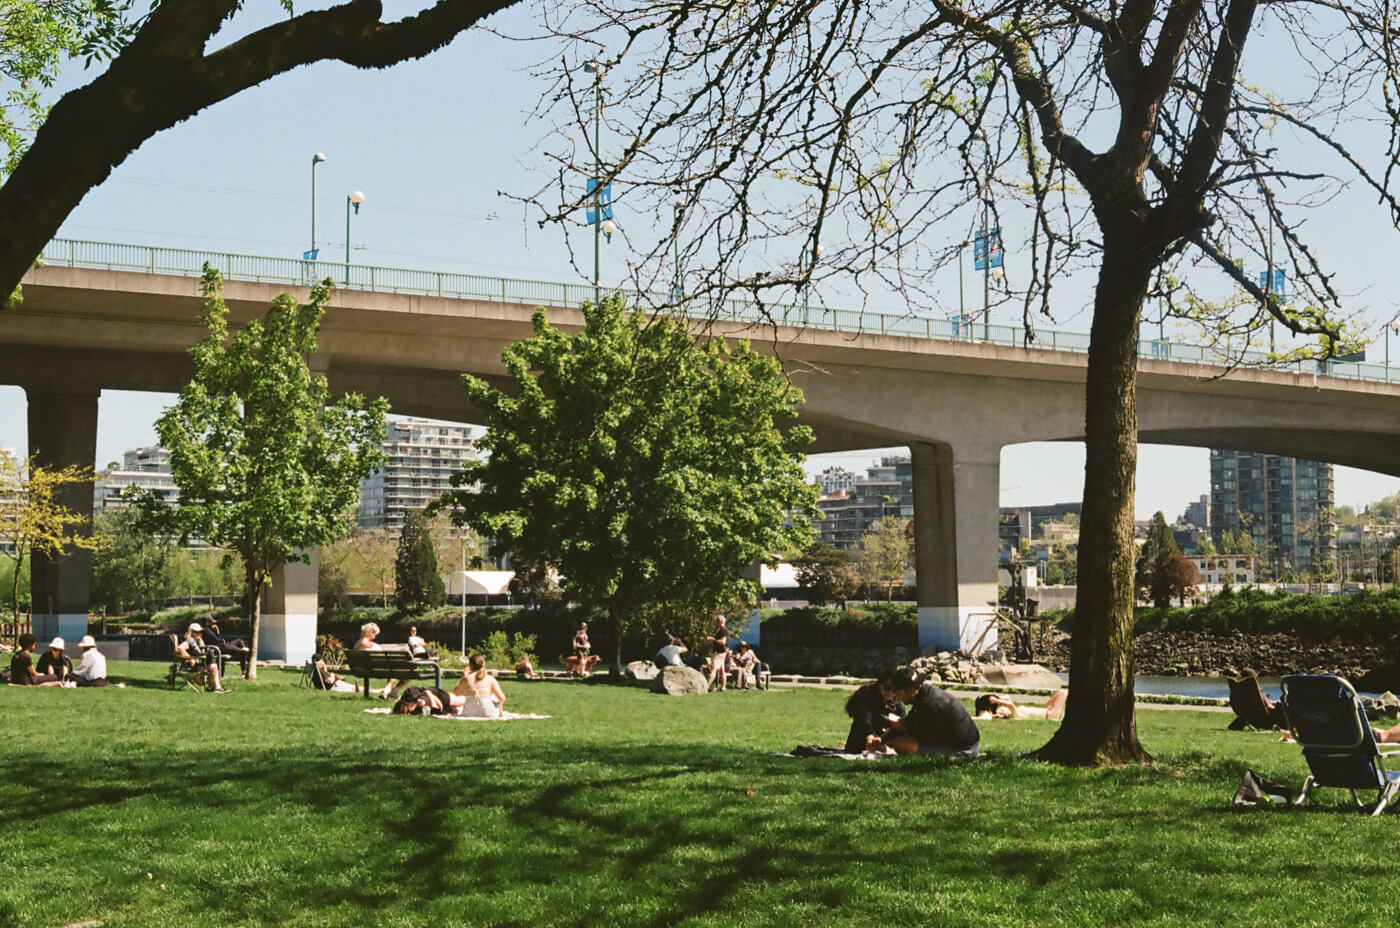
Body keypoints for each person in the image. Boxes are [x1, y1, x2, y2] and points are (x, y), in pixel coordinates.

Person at [880, 667, 980, 757]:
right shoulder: (926, 694)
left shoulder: (930, 704)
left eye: (898, 693)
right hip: (965, 743)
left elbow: (924, 737)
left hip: (963, 750)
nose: (897, 698)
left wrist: (901, 727)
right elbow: (913, 724)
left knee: (901, 744)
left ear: (910, 690)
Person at [844, 671, 906, 754]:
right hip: (863, 738)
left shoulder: (898, 702)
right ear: (880, 684)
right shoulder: (866, 696)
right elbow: (864, 721)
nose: (890, 693)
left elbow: (902, 726)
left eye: (894, 690)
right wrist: (871, 737)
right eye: (887, 688)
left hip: (885, 739)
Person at [179, 623, 229, 693]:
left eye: (200, 632)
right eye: (196, 632)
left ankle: (213, 687)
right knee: (213, 666)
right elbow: (180, 648)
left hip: (196, 666)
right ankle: (216, 688)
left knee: (213, 663)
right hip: (190, 668)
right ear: (191, 632)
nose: (199, 634)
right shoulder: (189, 640)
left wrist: (200, 642)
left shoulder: (197, 642)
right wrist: (190, 658)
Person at [452, 652, 506, 718]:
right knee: (494, 696)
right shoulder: (490, 679)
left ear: (470, 666)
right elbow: (502, 698)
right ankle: (501, 714)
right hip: (487, 713)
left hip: (469, 713)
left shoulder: (466, 679)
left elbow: (456, 694)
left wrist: (463, 677)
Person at [354, 621, 395, 698]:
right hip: (373, 669)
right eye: (375, 634)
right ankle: (388, 691)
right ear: (371, 632)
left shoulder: (357, 643)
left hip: (361, 669)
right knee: (395, 670)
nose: (375, 637)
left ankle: (389, 692)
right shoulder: (369, 645)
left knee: (392, 670)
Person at [973, 690, 1067, 721]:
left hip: (1046, 709)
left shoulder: (1014, 711)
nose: (1004, 709)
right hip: (1050, 714)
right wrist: (996, 700)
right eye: (1002, 710)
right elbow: (1010, 704)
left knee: (1060, 692)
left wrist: (996, 698)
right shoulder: (1014, 713)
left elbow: (1008, 697)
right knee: (1064, 693)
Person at [392, 684, 465, 715]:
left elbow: (426, 690)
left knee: (465, 700)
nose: (413, 708)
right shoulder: (416, 709)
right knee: (461, 707)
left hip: (440, 696)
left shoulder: (410, 694)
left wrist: (430, 695)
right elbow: (436, 708)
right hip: (439, 703)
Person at [704, 615, 730, 692]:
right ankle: (723, 687)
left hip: (719, 653)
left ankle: (706, 686)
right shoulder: (720, 629)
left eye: (717, 621)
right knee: (722, 670)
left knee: (714, 669)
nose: (715, 622)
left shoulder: (723, 630)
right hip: (722, 652)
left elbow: (723, 642)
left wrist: (713, 639)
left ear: (721, 621)